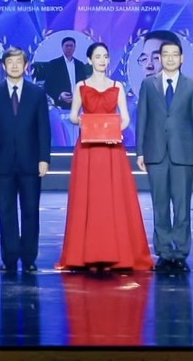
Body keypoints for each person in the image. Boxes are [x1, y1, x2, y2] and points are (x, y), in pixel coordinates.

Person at [57, 42, 152, 271]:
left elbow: (125, 117)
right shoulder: (81, 86)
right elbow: (73, 116)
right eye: (98, 56)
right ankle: (85, 255)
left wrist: (115, 128)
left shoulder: (117, 86)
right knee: (88, 199)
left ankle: (116, 255)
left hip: (111, 149)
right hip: (88, 149)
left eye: (105, 56)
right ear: (89, 60)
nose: (102, 60)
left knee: (113, 199)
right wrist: (83, 121)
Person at [134, 38, 193, 272]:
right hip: (155, 153)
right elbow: (142, 119)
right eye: (166, 54)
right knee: (160, 205)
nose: (170, 58)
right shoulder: (148, 85)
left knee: (182, 207)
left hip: (183, 154)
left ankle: (181, 253)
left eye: (175, 54)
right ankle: (164, 252)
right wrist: (140, 151)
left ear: (182, 58)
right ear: (160, 58)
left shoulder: (192, 86)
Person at [0, 48, 52, 272]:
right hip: (1, 162)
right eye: (10, 62)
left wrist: (44, 158)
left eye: (18, 62)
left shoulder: (37, 94)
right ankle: (9, 257)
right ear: (3, 66)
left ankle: (29, 258)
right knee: (6, 211)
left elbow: (44, 128)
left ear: (26, 65)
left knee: (31, 211)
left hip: (31, 161)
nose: (14, 66)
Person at [37, 36, 89, 109]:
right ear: (62, 47)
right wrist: (59, 95)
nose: (69, 48)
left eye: (71, 46)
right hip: (60, 106)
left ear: (75, 47)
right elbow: (48, 86)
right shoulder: (53, 64)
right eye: (67, 46)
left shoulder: (80, 65)